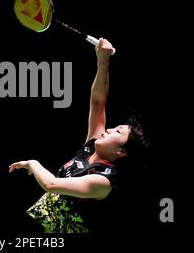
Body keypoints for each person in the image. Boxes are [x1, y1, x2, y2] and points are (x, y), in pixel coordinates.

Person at [9, 38, 148, 233]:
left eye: (117, 131)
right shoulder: (91, 147)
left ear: (121, 152)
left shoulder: (103, 181)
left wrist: (32, 163)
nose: (108, 129)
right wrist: (103, 62)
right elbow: (98, 102)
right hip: (40, 224)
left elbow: (51, 184)